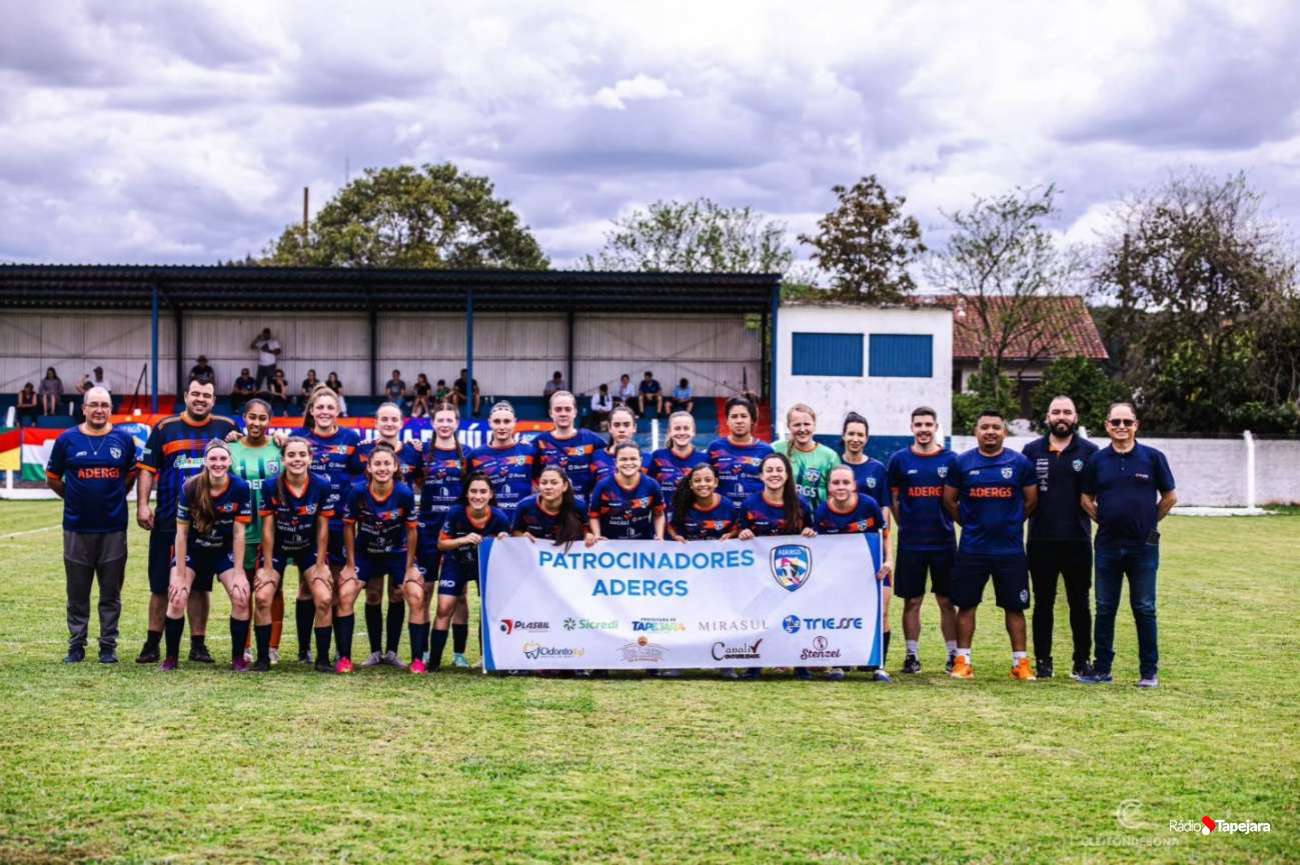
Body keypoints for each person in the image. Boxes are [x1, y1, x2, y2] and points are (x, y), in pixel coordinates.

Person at [135, 377, 239, 664]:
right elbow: (147, 468)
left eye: (206, 395)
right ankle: (152, 642)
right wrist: (143, 504)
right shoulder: (164, 428)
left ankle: (198, 644)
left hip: (209, 525)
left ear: (213, 400)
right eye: (196, 394)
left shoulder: (227, 428)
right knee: (160, 585)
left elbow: (249, 449)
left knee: (200, 586)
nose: (201, 399)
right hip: (169, 520)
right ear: (186, 396)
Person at [1079, 402, 1176, 688]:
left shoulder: (1153, 458)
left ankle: (1148, 672)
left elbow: (1170, 496)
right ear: (1107, 425)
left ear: (1136, 425)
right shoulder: (1097, 460)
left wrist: (1149, 523)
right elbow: (1085, 498)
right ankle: (1102, 669)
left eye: (1127, 422)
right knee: (1105, 607)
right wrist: (1104, 520)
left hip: (1143, 547)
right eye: (1116, 422)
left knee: (1144, 607)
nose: (1121, 427)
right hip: (1107, 545)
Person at [942, 409, 1038, 681]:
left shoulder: (1019, 464)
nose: (991, 432)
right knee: (966, 605)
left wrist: (1012, 523)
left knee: (1015, 607)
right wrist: (971, 525)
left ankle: (1020, 664)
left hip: (1010, 550)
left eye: (996, 427)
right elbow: (950, 501)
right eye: (985, 427)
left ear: (1004, 432)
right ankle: (963, 661)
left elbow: (1031, 501)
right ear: (976, 432)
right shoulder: (962, 463)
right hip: (973, 548)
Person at [45, 386, 136, 664]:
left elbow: (130, 477)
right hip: (76, 528)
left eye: (104, 405)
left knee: (111, 593)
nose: (99, 410)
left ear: (110, 409)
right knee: (77, 593)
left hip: (113, 529)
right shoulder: (66, 440)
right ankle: (76, 646)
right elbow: (53, 478)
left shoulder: (124, 440)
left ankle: (108, 646)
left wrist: (115, 498)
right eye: (93, 405)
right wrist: (73, 497)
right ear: (83, 408)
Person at [1021, 395, 1099, 679]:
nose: (1061, 417)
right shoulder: (1031, 451)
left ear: (1075, 418)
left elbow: (1097, 496)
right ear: (1047, 417)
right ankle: (1043, 660)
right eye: (1056, 412)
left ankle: (1082, 661)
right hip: (1041, 540)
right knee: (1043, 602)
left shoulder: (1090, 452)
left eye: (1067, 412)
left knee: (1080, 602)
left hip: (1077, 540)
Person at [161, 439, 253, 671]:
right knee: (177, 596)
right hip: (194, 550)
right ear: (205, 461)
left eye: (223, 458)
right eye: (213, 458)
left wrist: (240, 572)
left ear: (230, 460)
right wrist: (180, 574)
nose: (218, 463)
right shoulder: (190, 487)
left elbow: (239, 533)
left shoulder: (240, 487)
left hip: (223, 551)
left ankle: (238, 658)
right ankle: (171, 658)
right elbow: (180, 535)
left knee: (242, 597)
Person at [888, 406, 959, 675]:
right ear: (911, 428)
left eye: (928, 424)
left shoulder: (951, 460)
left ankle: (953, 655)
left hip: (943, 542)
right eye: (918, 425)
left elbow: (956, 499)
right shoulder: (899, 460)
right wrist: (904, 524)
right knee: (912, 601)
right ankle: (911, 655)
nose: (923, 429)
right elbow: (894, 499)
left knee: (946, 601)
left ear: (936, 426)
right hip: (911, 543)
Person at [339, 442, 420, 674]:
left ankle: (405, 657)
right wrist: (350, 564)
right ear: (370, 468)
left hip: (396, 553)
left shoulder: (404, 493)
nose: (382, 468)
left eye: (387, 463)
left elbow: (412, 530)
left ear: (395, 466)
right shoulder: (358, 493)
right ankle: (353, 656)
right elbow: (348, 527)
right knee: (350, 594)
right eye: (378, 464)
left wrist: (410, 566)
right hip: (367, 553)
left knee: (408, 594)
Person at [293, 387, 360, 663]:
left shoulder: (350, 438)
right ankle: (303, 649)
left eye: (329, 408)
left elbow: (359, 476)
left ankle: (331, 646)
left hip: (338, 525)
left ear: (337, 411)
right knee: (307, 586)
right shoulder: (300, 440)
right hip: (308, 524)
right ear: (311, 411)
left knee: (332, 584)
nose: (324, 412)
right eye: (319, 407)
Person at [733, 452, 815, 680]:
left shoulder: (801, 505)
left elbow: (815, 537)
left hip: (791, 574)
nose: (774, 474)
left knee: (794, 616)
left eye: (779, 470)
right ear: (761, 476)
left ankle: (800, 665)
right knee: (758, 617)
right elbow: (739, 533)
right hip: (758, 576)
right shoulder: (750, 504)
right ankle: (754, 665)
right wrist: (744, 533)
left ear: (787, 475)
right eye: (769, 470)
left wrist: (809, 533)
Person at [256, 437, 334, 672]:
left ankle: (322, 659)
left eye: (302, 455)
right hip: (278, 548)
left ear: (310, 458)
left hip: (308, 548)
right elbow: (267, 530)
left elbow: (322, 529)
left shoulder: (321, 485)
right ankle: (262, 658)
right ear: (283, 459)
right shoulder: (271, 485)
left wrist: (321, 564)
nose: (297, 459)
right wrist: (268, 567)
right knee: (262, 597)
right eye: (291, 455)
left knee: (324, 598)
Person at [355, 402, 424, 668]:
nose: (389, 423)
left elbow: (422, 480)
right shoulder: (363, 451)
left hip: (400, 536)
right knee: (372, 593)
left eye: (394, 419)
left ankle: (392, 651)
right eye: (383, 418)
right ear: (376, 421)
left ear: (402, 422)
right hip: (371, 534)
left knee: (397, 594)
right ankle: (375, 651)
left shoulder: (413, 451)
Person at [814, 464, 893, 682]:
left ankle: (879, 665)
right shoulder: (822, 511)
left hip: (874, 569)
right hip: (841, 574)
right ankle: (839, 663)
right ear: (829, 487)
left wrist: (889, 559)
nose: (841, 487)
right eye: (836, 482)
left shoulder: (869, 505)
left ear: (854, 485)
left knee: (882, 613)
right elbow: (819, 546)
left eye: (846, 482)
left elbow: (884, 533)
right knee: (840, 614)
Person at [432, 473, 510, 671]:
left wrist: (503, 538)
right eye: (473, 491)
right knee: (444, 607)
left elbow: (508, 546)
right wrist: (463, 540)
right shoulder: (456, 512)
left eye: (483, 492)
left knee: (488, 608)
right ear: (467, 494)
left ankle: (486, 658)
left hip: (484, 566)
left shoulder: (499, 517)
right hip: (456, 562)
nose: (478, 496)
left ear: (491, 494)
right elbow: (441, 544)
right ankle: (434, 662)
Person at [226, 399, 283, 664]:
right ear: (243, 418)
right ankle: (246, 647)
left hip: (274, 530)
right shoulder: (232, 448)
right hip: (243, 531)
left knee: (273, 589)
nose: (256, 423)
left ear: (269, 421)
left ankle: (272, 647)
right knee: (244, 588)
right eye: (252, 417)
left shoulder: (280, 448)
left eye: (262, 418)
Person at [416, 402, 471, 667]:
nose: (445, 424)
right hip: (427, 531)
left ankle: (459, 653)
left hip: (457, 531)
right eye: (441, 420)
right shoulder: (422, 451)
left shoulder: (467, 455)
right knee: (425, 591)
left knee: (459, 594)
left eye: (450, 420)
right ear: (433, 423)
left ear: (457, 423)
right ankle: (424, 650)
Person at [533, 390, 607, 498]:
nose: (563, 413)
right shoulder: (539, 442)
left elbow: (610, 459)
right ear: (551, 413)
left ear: (575, 412)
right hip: (551, 509)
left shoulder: (591, 440)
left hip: (582, 510)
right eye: (558, 409)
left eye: (568, 409)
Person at [468, 400, 537, 516]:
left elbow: (539, 486)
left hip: (522, 525)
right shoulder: (476, 455)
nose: (502, 426)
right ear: (489, 422)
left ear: (515, 422)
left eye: (507, 421)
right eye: (497, 422)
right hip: (490, 524)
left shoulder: (529, 451)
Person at [589, 443, 665, 541]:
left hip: (644, 544)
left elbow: (659, 514)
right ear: (615, 462)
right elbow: (594, 516)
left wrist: (659, 536)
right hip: (609, 545)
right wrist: (597, 535)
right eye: (623, 459)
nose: (628, 463)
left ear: (640, 461)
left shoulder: (652, 485)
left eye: (633, 459)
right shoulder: (602, 485)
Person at [708, 396, 772, 511]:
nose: (739, 421)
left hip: (755, 515)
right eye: (734, 416)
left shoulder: (766, 451)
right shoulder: (715, 448)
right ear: (727, 420)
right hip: (723, 516)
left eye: (743, 416)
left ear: (752, 420)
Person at [773, 403, 839, 510]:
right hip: (783, 520)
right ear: (788, 426)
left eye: (807, 424)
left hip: (816, 522)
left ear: (814, 425)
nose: (802, 429)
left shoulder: (830, 457)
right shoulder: (776, 449)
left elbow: (836, 494)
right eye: (797, 425)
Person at [511, 467, 591, 544]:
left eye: (554, 483)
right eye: (544, 483)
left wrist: (589, 536)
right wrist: (522, 537)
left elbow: (587, 530)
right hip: (536, 555)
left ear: (565, 486)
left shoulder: (579, 506)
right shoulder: (524, 506)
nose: (548, 487)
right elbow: (516, 531)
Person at [649, 411, 710, 509]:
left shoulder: (704, 459)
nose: (682, 432)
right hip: (664, 520)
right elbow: (649, 489)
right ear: (669, 432)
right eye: (677, 428)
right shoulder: (658, 456)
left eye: (686, 428)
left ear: (693, 431)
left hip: (695, 520)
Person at [667, 463, 738, 541]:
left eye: (708, 480)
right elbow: (670, 526)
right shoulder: (681, 504)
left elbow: (736, 529)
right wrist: (675, 536)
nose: (703, 484)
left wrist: (730, 534)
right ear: (691, 484)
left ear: (716, 482)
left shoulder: (727, 506)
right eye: (697, 481)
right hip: (690, 551)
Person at [840, 412, 889, 509]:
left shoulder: (878, 469)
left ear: (866, 438)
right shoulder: (834, 465)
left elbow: (884, 507)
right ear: (843, 435)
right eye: (851, 434)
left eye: (860, 435)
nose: (855, 439)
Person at [591, 404, 644, 486]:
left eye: (626, 425)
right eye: (616, 425)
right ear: (609, 428)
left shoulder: (647, 459)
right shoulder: (596, 456)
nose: (621, 430)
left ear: (634, 427)